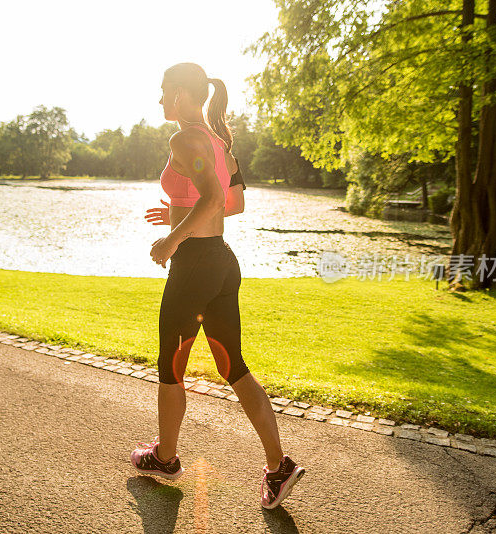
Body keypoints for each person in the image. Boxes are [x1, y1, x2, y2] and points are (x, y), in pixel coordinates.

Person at [130, 62, 305, 509]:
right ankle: (278, 466)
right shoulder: (219, 141)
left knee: (171, 364)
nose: (161, 97)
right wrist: (177, 209)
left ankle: (165, 458)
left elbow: (212, 198)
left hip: (194, 265)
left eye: (165, 89)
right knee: (234, 366)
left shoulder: (185, 138)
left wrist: (172, 238)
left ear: (185, 94)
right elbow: (234, 202)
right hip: (222, 263)